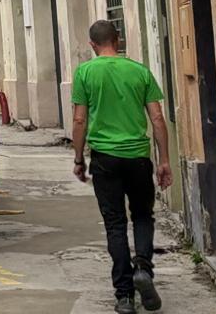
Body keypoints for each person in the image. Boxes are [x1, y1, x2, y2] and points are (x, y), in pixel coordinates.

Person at [72, 19, 173, 313]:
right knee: (143, 216)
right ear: (118, 41)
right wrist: (164, 160)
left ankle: (125, 296)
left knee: (115, 224)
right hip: (138, 158)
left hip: (104, 159)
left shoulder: (86, 73)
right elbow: (156, 119)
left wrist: (79, 159)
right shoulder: (139, 71)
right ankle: (143, 267)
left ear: (93, 45)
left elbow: (79, 120)